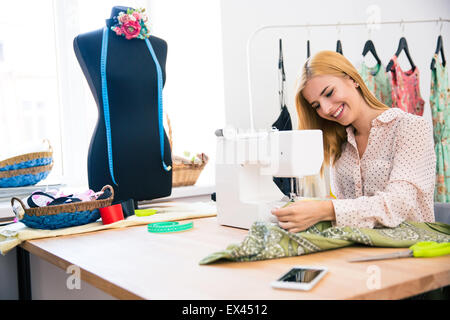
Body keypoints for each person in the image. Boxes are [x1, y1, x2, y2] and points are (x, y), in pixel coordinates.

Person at [271, 50, 436, 232]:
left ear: (352, 79)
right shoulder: (339, 144)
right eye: (316, 105)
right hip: (359, 249)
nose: (325, 109)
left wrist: (325, 210)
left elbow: (398, 204)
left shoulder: (410, 127)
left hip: (413, 251)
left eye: (329, 93)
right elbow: (345, 208)